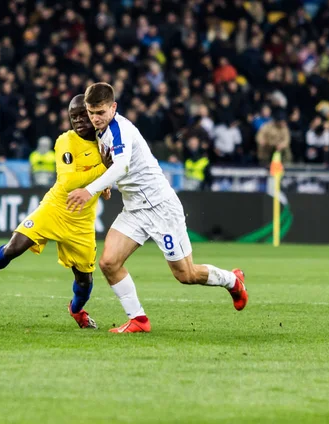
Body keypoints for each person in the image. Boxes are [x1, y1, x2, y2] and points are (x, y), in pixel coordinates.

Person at [67, 83, 248, 333]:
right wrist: (106, 184)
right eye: (91, 112)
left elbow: (122, 167)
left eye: (100, 112)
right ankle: (139, 320)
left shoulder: (121, 129)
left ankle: (232, 280)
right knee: (109, 262)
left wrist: (90, 190)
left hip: (160, 208)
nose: (95, 118)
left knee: (186, 275)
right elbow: (114, 168)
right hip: (134, 209)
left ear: (113, 108)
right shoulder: (100, 132)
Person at [0, 95, 110, 329]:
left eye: (82, 115)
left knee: (85, 280)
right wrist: (103, 170)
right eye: (72, 116)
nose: (77, 120)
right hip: (55, 207)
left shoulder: (105, 142)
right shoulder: (65, 141)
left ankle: (76, 310)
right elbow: (68, 181)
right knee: (14, 246)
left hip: (82, 221)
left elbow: (107, 175)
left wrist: (105, 183)